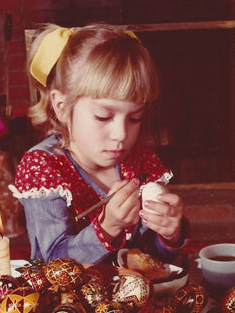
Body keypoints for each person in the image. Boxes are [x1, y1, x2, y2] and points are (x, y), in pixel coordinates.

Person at [10, 23, 190, 266]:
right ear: (62, 107)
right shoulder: (43, 168)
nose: (121, 134)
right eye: (103, 117)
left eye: (134, 118)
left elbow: (155, 258)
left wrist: (170, 233)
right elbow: (52, 262)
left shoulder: (140, 162)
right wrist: (107, 227)